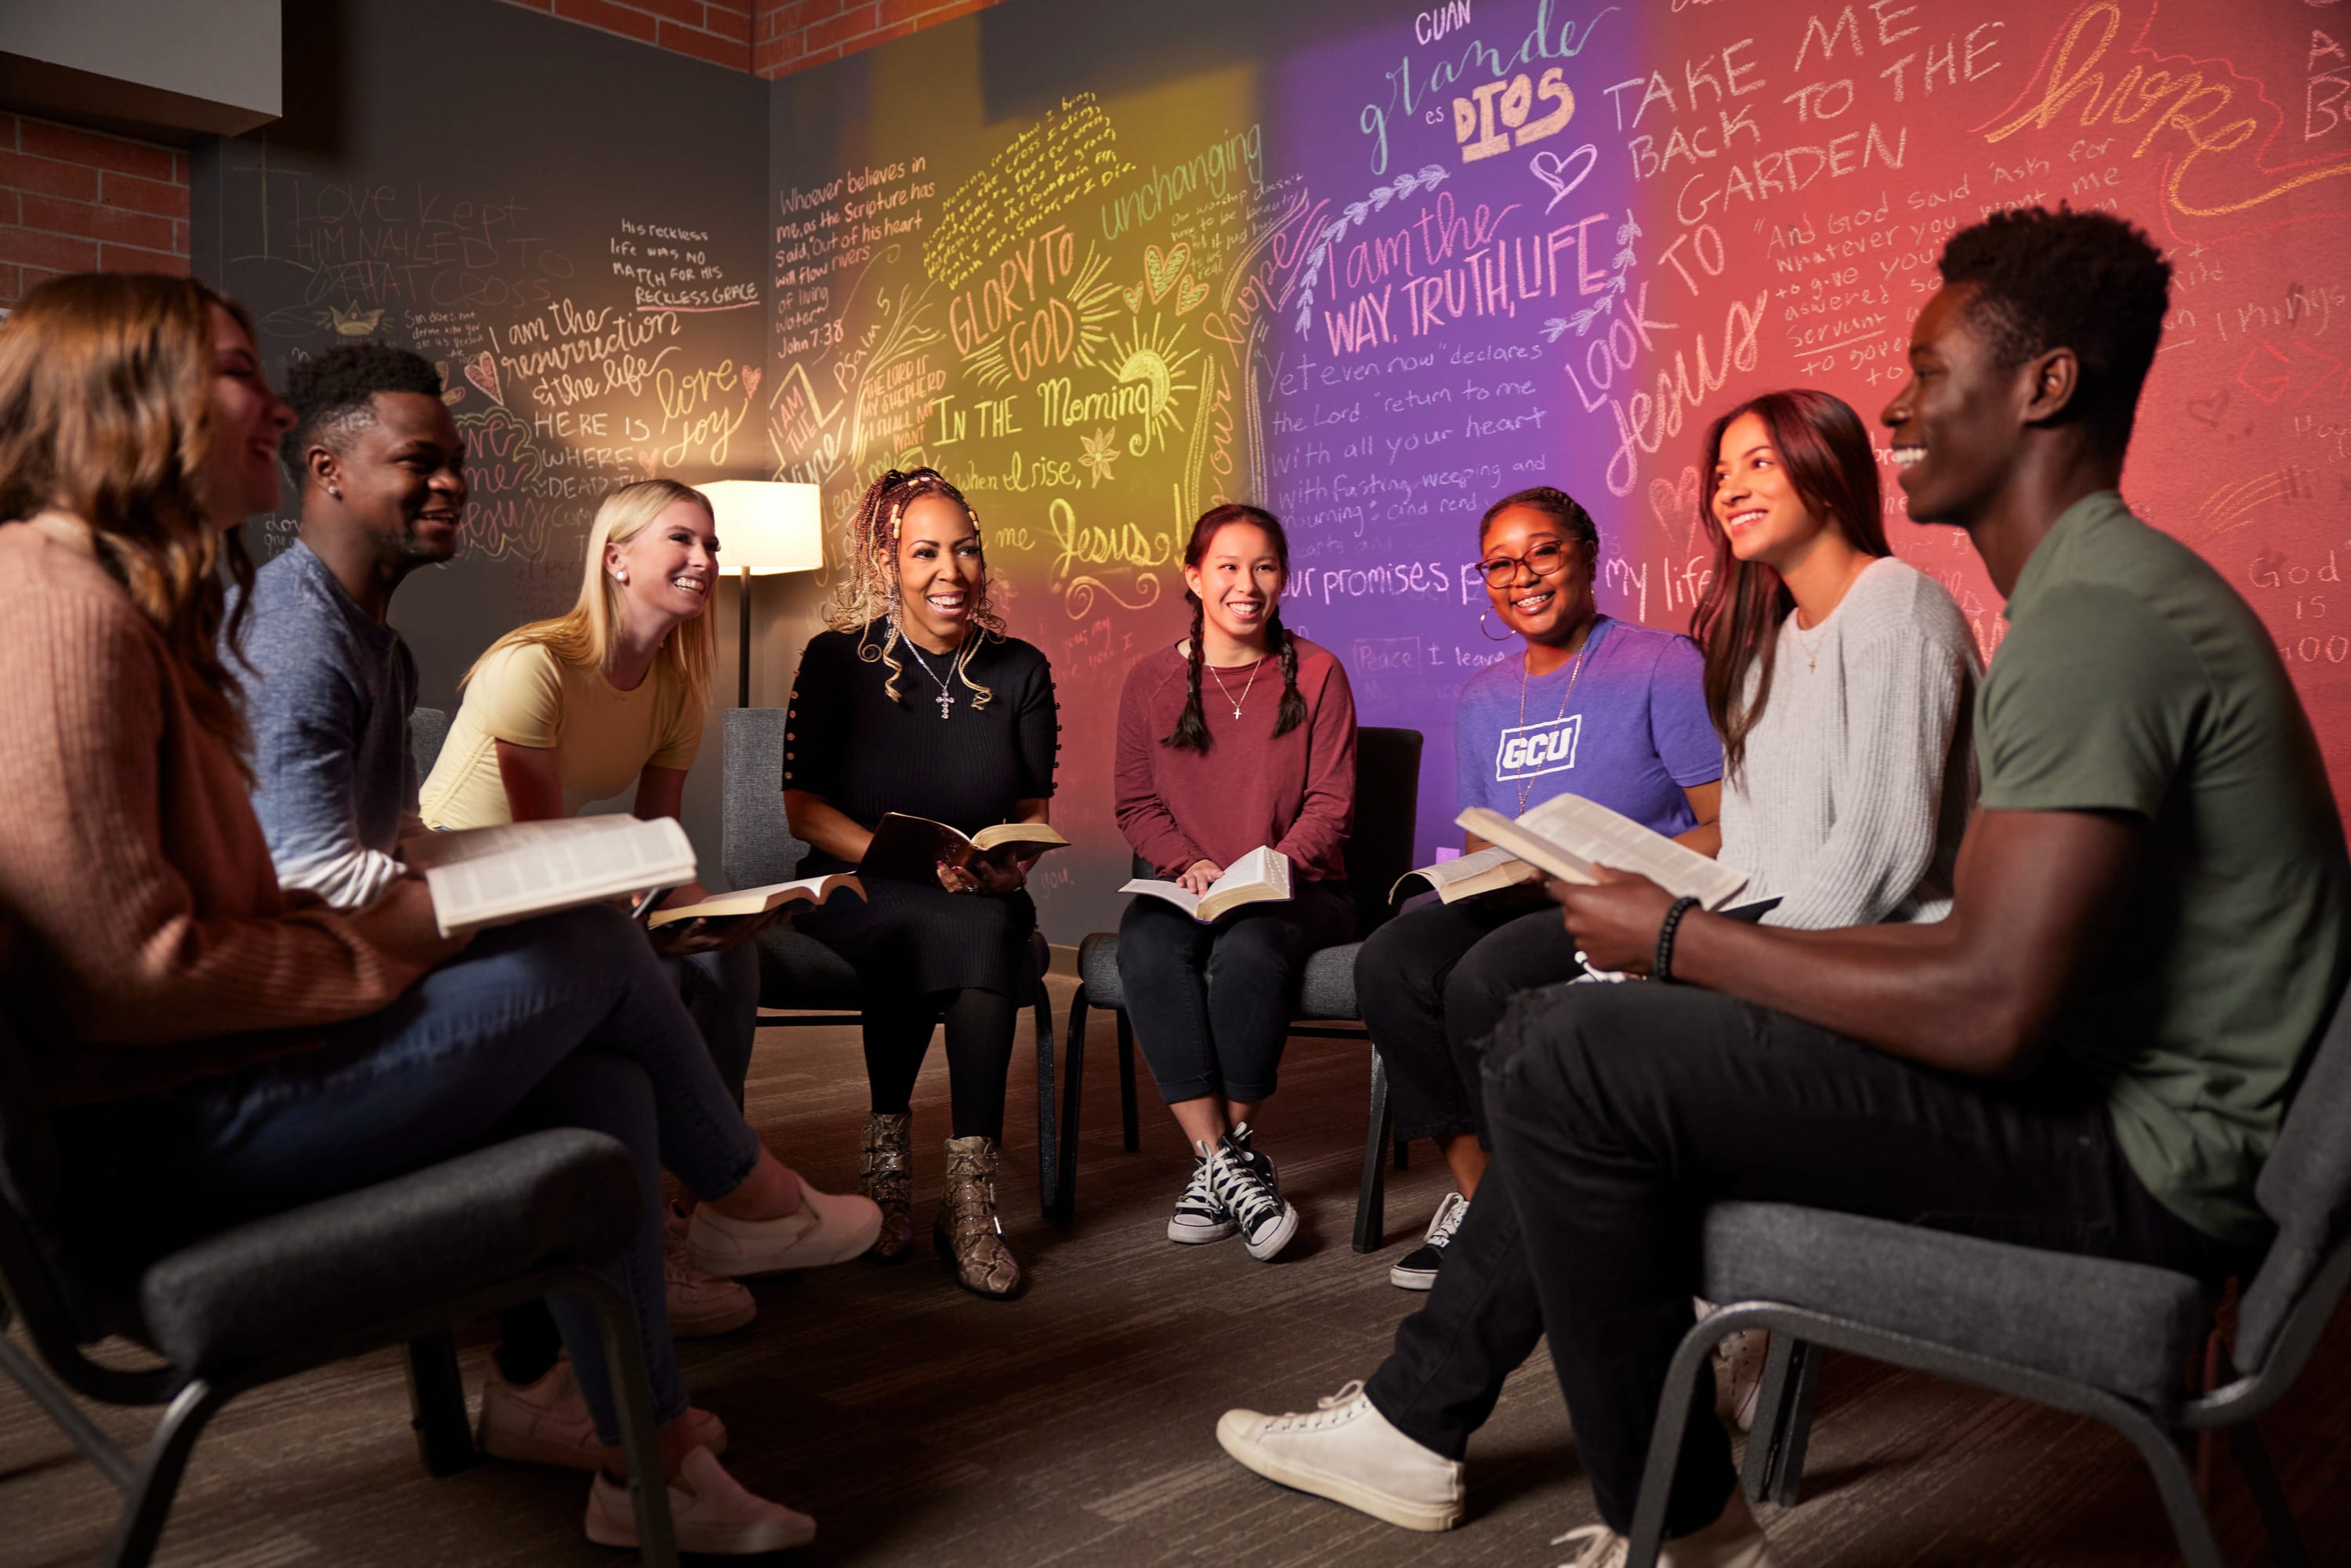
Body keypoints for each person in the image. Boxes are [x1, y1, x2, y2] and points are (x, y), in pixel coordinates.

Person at [1513, 207, 2348, 1566]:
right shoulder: (2094, 596)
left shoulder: (2098, 621)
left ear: (2044, 385)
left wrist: (1674, 938)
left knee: (1569, 1056)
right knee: (1594, 1038)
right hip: (2120, 1101)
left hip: (2144, 1166)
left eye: (1930, 368)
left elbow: (1988, 1009)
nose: (1895, 403)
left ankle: (1679, 1533)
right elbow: (1991, 954)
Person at [0, 273, 883, 1555]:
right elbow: (125, 974)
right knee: (586, 939)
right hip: (175, 1145)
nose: (276, 402)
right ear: (131, 394)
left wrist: (426, 912)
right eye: (241, 368)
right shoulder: (56, 610)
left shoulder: (126, 603)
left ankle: (645, 1456)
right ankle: (748, 1195)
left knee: (608, 1096)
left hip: (221, 1080)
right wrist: (402, 939)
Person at [1215, 387, 1984, 1541]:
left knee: (1565, 1056)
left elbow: (1872, 873)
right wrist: (1666, 943)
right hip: (1783, 972)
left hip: (1865, 1003)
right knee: (1553, 1044)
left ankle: (1428, 1424)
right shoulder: (1777, 643)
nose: (1730, 484)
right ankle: (1436, 1426)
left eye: (1761, 461)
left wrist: (1676, 953)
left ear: (1830, 469)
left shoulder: (1901, 611)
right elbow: (1762, 857)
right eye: (1721, 467)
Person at [1351, 486, 1721, 1292]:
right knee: (1389, 960)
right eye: (1500, 562)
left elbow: (1723, 827)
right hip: (1517, 894)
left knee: (1485, 978)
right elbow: (1484, 838)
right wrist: (1481, 873)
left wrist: (1601, 870)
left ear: (1588, 556)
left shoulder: (1662, 663)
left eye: (1544, 551)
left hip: (1614, 898)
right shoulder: (1483, 697)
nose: (1524, 575)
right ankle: (1488, 1203)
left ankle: (1525, 1215)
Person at [784, 465, 1059, 1299]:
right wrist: (891, 855)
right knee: (930, 923)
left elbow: (1030, 809)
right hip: (858, 887)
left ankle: (963, 1199)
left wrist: (1012, 862)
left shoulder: (1021, 670)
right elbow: (802, 810)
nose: (952, 573)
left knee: (974, 923)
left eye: (967, 551)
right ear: (888, 560)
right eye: (927, 553)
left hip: (973, 892)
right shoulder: (835, 661)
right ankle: (896, 1167)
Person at [1113, 503, 1358, 1263]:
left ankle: (1219, 1160)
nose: (1246, 585)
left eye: (1264, 567)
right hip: (1190, 885)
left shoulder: (1317, 672)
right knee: (1148, 949)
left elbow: (1333, 802)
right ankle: (1226, 1162)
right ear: (1194, 576)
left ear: (1283, 577)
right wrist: (1189, 864)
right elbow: (1136, 801)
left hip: (1296, 887)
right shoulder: (1150, 681)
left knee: (1250, 952)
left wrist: (1271, 866)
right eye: (1227, 566)